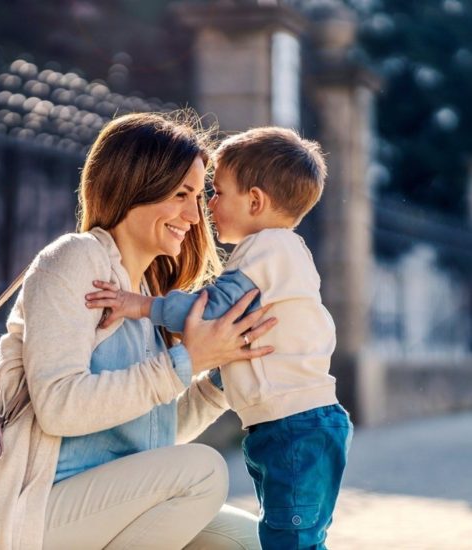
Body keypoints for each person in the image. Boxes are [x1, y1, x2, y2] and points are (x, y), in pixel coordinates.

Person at [0, 112, 278, 550]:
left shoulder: (146, 294)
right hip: (24, 510)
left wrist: (219, 370)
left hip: (95, 511)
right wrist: (187, 360)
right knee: (202, 473)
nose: (194, 216)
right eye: (182, 195)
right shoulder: (75, 260)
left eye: (199, 198)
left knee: (252, 542)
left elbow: (151, 432)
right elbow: (59, 407)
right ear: (134, 185)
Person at [86, 127, 354, 549]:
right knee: (290, 536)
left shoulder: (266, 249)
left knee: (291, 539)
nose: (205, 207)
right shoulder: (286, 254)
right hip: (291, 426)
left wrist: (139, 305)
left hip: (293, 427)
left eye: (215, 192)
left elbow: (207, 313)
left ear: (254, 201)